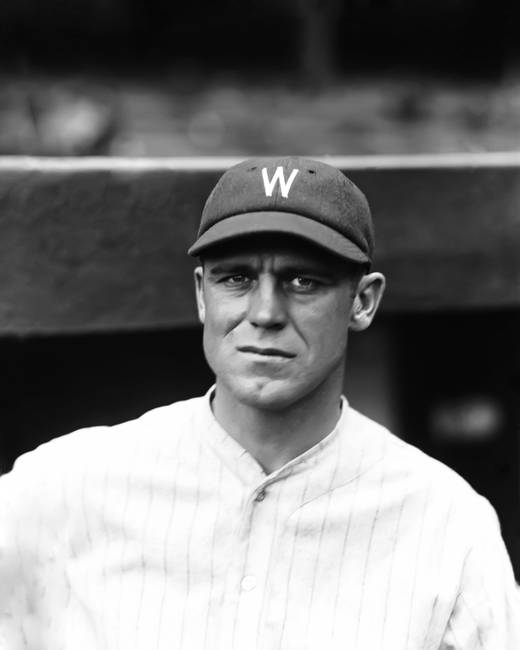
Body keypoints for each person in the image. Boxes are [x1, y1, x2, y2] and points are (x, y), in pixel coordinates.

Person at [0, 156, 518, 650]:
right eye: (237, 278)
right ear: (202, 295)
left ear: (362, 301)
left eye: (303, 281)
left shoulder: (446, 523)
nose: (265, 312)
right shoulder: (61, 488)